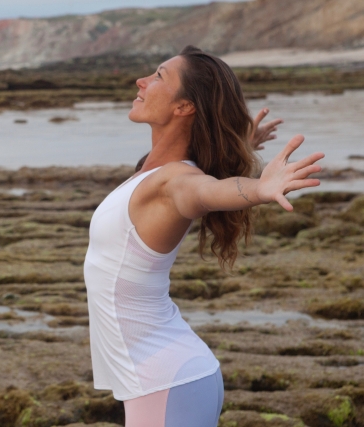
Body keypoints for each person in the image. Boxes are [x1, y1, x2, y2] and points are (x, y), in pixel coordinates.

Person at [83, 46, 324, 427]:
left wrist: (260, 189)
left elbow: (206, 192)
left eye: (159, 76)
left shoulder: (177, 181)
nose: (141, 81)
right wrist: (240, 146)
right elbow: (205, 176)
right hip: (161, 379)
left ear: (184, 107)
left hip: (167, 381)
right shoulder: (153, 171)